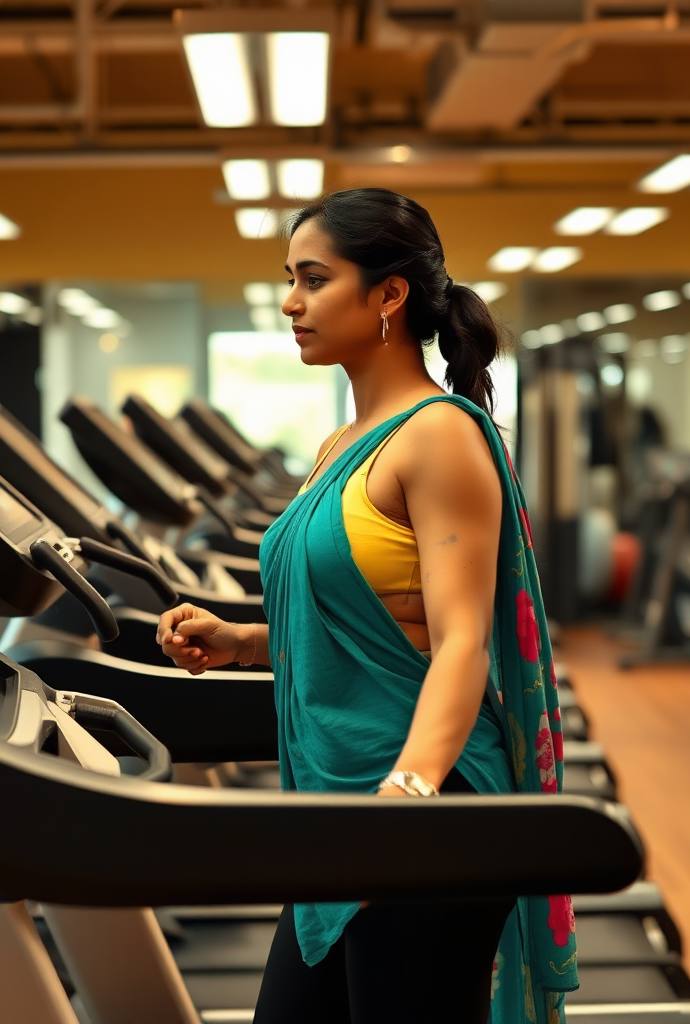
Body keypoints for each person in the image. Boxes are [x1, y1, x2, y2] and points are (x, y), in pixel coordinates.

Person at [156, 188, 576, 1023]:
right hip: (336, 809)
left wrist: (410, 792)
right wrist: (241, 639)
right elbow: (367, 617)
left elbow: (460, 642)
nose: (290, 301)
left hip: (420, 809)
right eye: (289, 278)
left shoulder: (440, 434)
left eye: (314, 279)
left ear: (390, 296)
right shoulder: (340, 445)